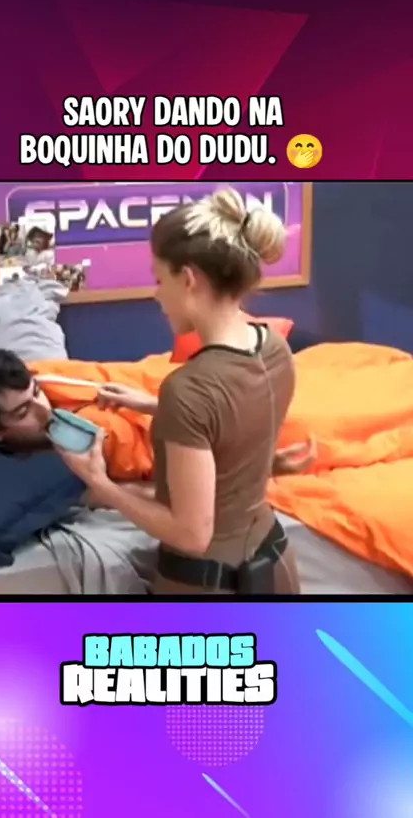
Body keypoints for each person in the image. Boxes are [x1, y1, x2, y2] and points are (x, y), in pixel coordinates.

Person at [53, 187, 316, 595]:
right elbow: (231, 419)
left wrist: (100, 484)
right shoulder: (274, 347)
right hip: (276, 564)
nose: (156, 294)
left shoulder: (188, 389)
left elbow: (192, 535)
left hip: (208, 589)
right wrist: (151, 405)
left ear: (189, 279)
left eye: (160, 279)